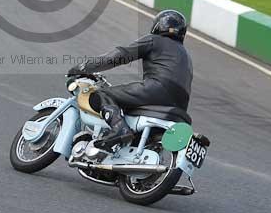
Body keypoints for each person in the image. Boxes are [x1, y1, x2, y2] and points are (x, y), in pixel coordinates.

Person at [66, 10, 192, 151]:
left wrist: (84, 67)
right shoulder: (186, 55)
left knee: (101, 95)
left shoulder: (154, 40)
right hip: (180, 104)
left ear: (158, 26)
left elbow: (120, 55)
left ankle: (119, 129)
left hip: (156, 90)